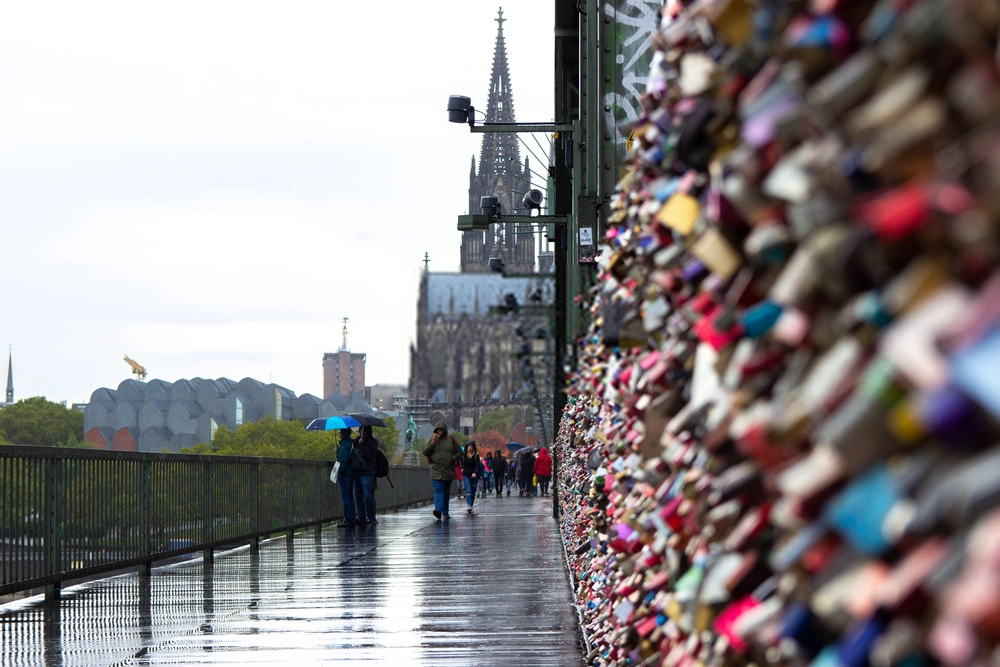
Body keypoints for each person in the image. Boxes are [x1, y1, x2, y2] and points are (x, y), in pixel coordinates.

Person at [423, 421, 462, 521]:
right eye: (438, 429)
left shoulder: (451, 439)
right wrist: (433, 443)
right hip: (436, 470)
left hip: (448, 469)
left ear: (445, 430)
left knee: (445, 492)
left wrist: (452, 458)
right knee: (439, 490)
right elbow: (425, 452)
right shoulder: (432, 440)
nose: (440, 431)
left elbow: (459, 451)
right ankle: (438, 510)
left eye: (441, 429)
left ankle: (445, 511)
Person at [352, 425, 380, 525]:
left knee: (368, 496)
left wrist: (362, 445)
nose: (361, 433)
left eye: (363, 431)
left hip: (367, 473)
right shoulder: (356, 441)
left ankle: (371, 517)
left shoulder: (372, 442)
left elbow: (370, 456)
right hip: (357, 472)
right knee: (358, 496)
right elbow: (353, 453)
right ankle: (361, 517)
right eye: (360, 430)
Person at [336, 428, 357, 527]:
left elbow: (343, 459)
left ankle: (348, 518)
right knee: (350, 496)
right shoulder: (351, 443)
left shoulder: (344, 445)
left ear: (342, 434)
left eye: (340, 432)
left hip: (345, 474)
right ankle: (351, 517)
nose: (339, 433)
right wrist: (338, 451)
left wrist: (340, 471)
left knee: (345, 497)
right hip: (351, 473)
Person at [461, 441, 483, 514]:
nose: (469, 448)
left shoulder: (476, 456)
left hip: (474, 475)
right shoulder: (464, 455)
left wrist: (475, 472)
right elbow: (461, 463)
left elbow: (477, 465)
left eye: (471, 446)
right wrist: (461, 468)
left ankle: (471, 505)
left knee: (473, 492)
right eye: (468, 446)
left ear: (473, 448)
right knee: (468, 491)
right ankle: (469, 506)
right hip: (466, 475)